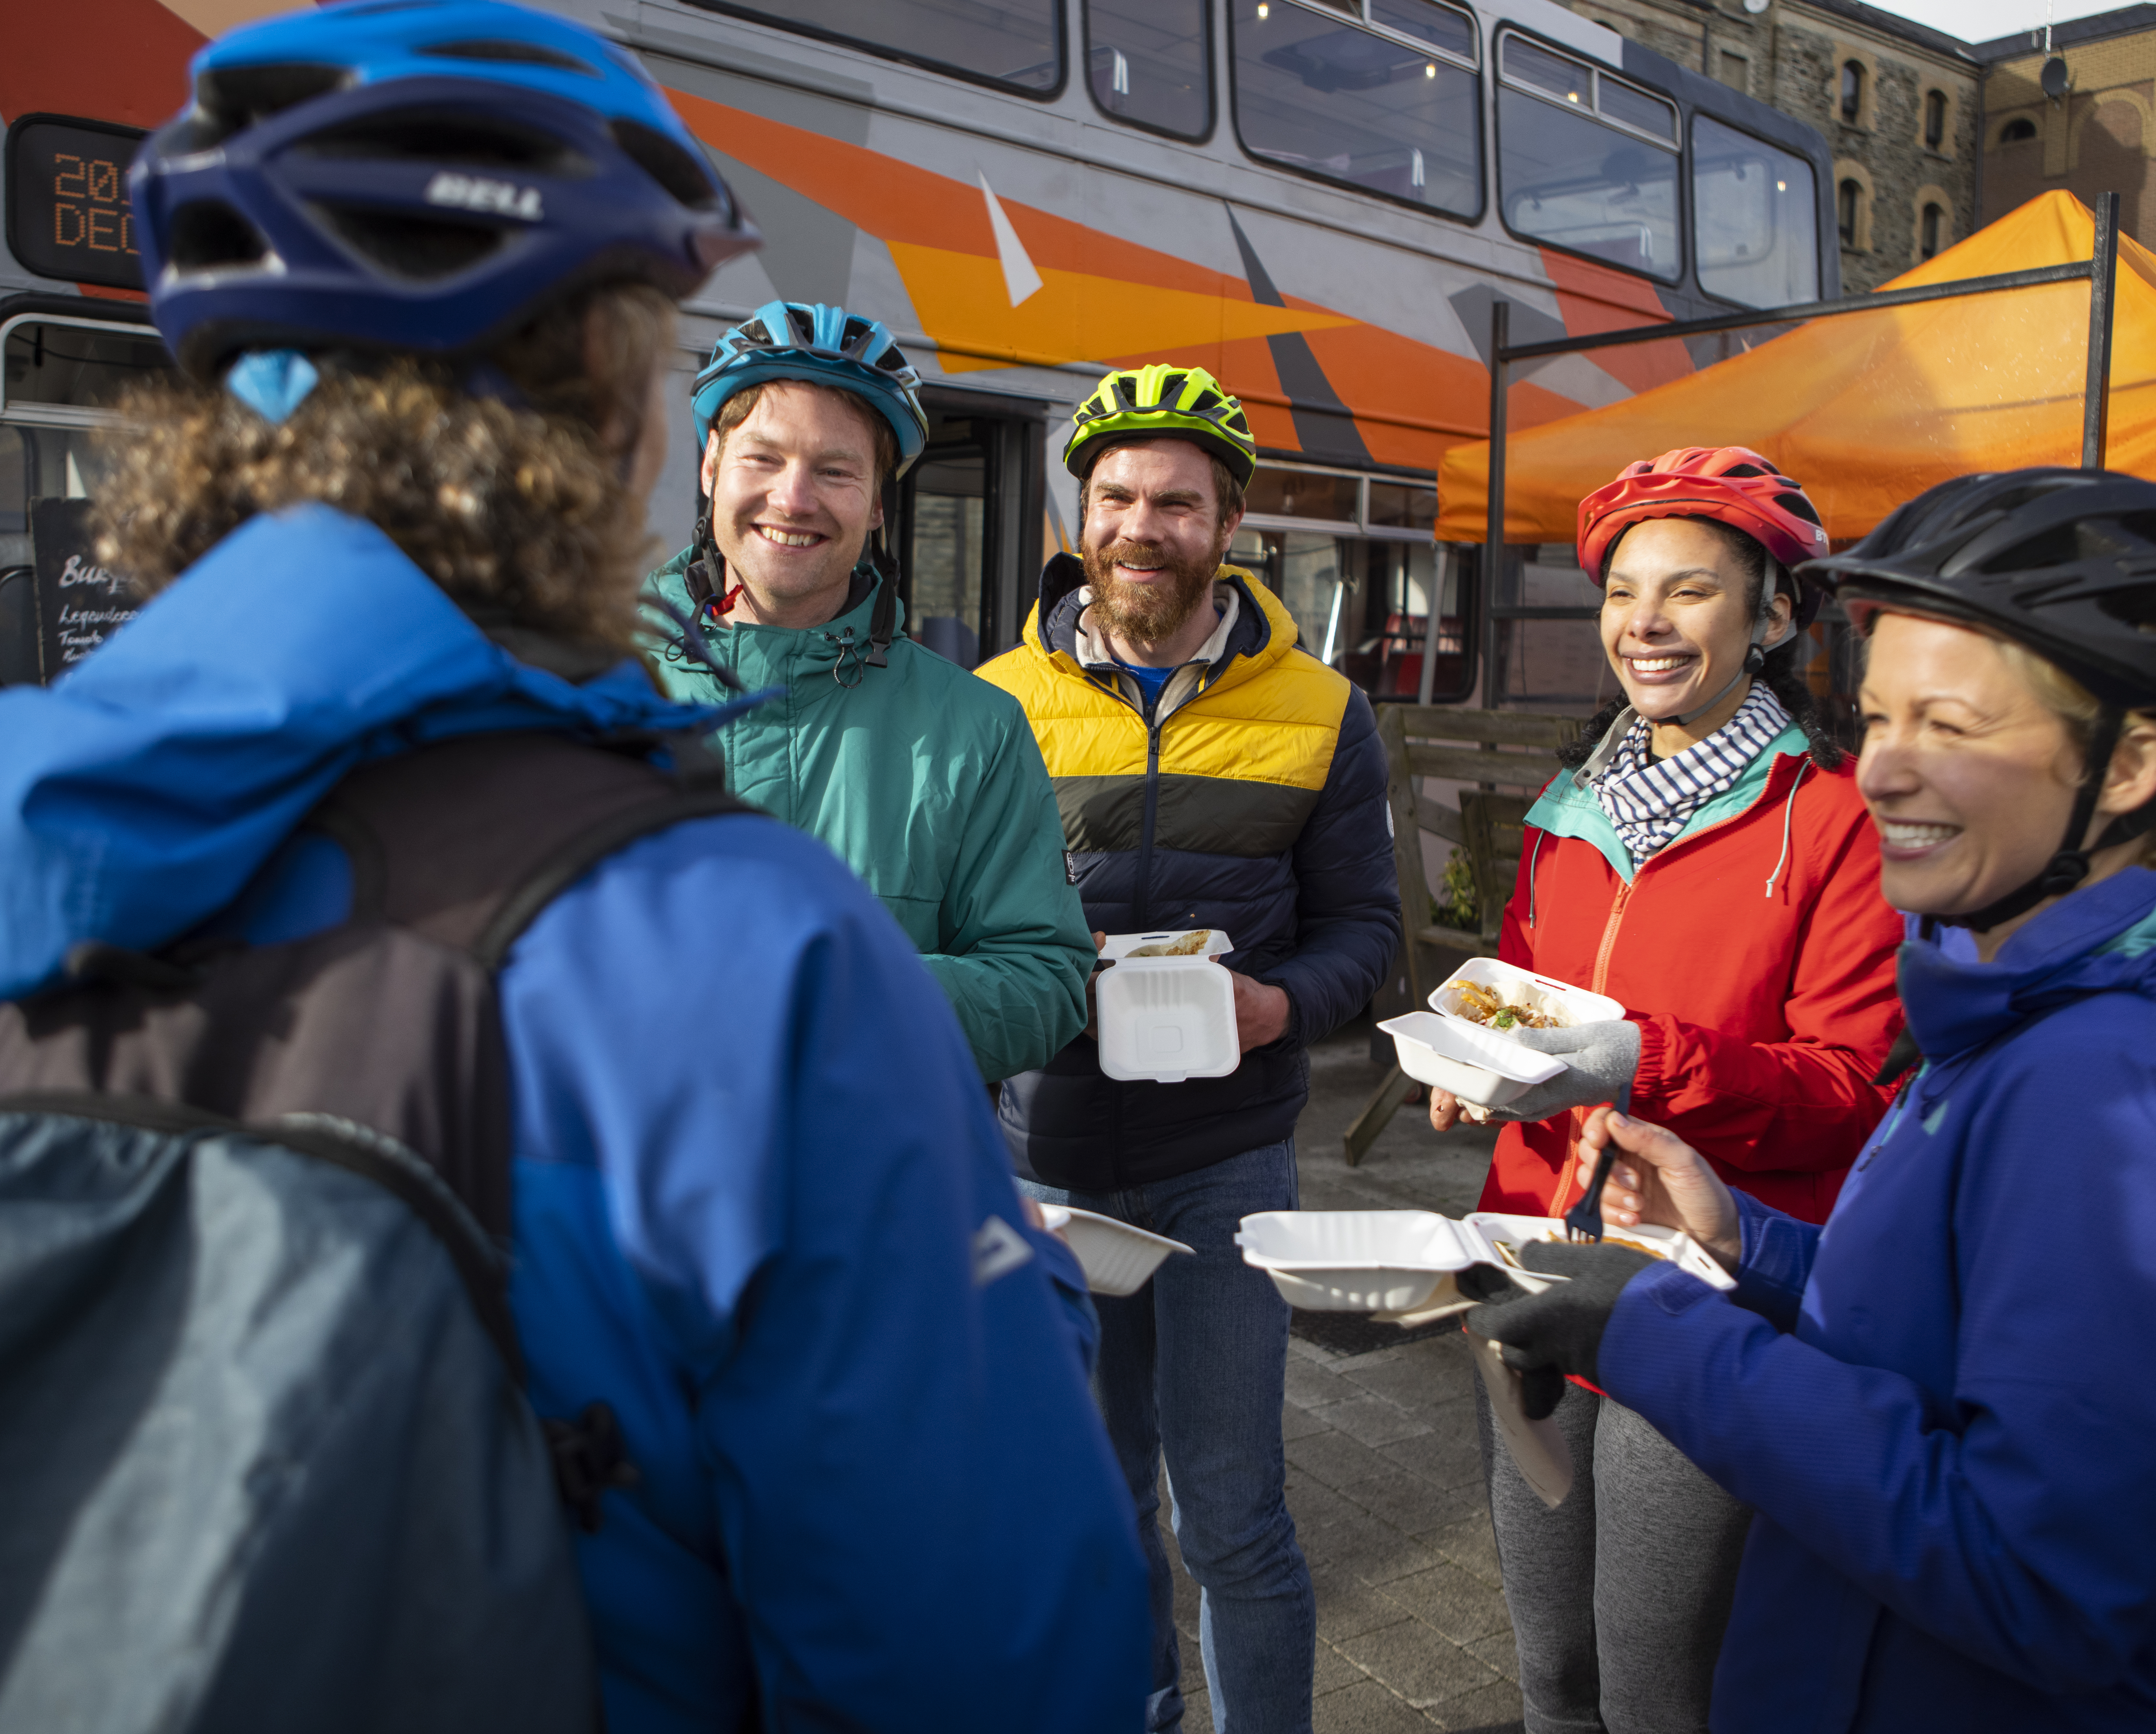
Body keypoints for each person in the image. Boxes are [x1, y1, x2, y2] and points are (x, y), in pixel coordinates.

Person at [0, 5, 1147, 1728]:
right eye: (701, 400)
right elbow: (992, 1667)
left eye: (840, 467)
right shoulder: (757, 962)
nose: (792, 490)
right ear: (619, 432)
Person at [1465, 469, 2156, 1733]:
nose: (1878, 774)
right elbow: (1925, 1324)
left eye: (1954, 725)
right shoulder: (2018, 1018)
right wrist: (1739, 1240)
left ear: (2138, 762)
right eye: (1876, 719)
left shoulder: (2120, 1096)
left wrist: (1650, 1326)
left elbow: (2043, 1576)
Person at [1426, 448, 1902, 1733]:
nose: (1645, 622)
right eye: (1624, 590)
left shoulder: (1840, 817)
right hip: (1528, 1258)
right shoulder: (1565, 804)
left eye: (1690, 590)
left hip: (1698, 1290)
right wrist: (1476, 1061)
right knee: (1550, 1676)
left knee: (1657, 1692)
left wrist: (1645, 1057)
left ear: (1778, 614)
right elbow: (1520, 992)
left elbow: (1853, 1091)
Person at [980, 363, 1403, 1734]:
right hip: (1046, 1161)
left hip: (1224, 1161)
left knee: (1231, 1513)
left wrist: (1277, 1006)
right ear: (1079, 510)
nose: (1138, 525)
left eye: (1175, 500)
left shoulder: (1321, 713)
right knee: (1098, 1507)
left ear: (1228, 522)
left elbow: (1367, 931)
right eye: (1114, 496)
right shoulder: (991, 704)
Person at [644, 303, 1091, 1082]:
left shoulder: (977, 726)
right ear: (711, 464)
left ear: (879, 503)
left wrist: (854, 990)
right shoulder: (587, 691)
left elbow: (1046, 981)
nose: (793, 499)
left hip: (876, 1189)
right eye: (764, 458)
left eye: (836, 469)